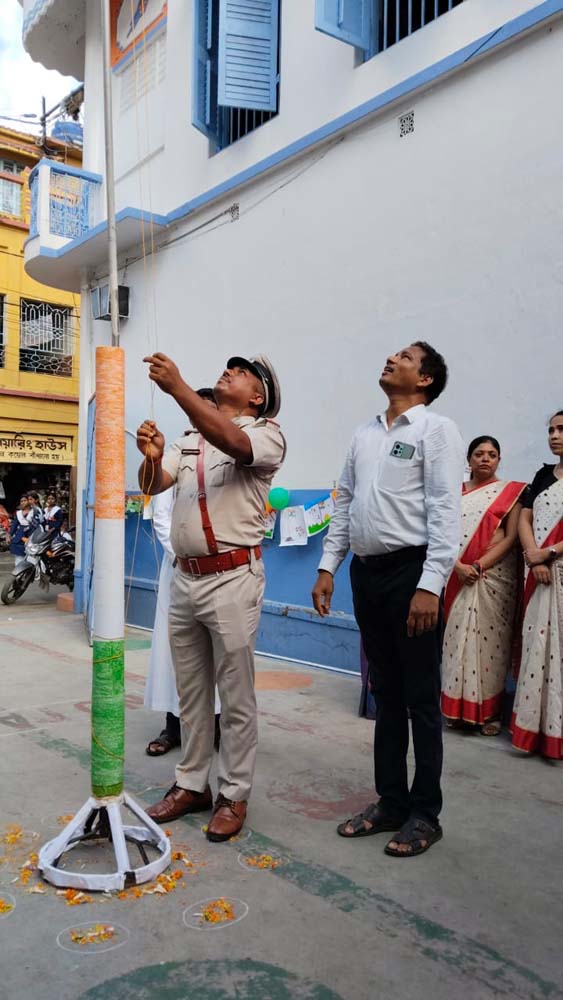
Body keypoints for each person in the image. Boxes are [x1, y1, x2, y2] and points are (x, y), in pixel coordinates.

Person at [312, 342, 464, 858]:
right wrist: (328, 566)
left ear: (425, 379)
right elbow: (345, 503)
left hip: (411, 573)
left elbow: (445, 510)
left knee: (420, 697)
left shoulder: (435, 430)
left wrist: (430, 584)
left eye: (405, 356)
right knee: (386, 693)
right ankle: (391, 803)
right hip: (367, 574)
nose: (391, 358)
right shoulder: (365, 433)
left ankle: (426, 813)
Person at [136, 352, 285, 841]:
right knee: (191, 693)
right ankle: (192, 784)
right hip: (185, 578)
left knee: (235, 696)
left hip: (232, 578)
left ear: (258, 396)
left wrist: (178, 388)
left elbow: (234, 442)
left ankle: (234, 794)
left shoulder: (265, 434)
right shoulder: (190, 440)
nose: (229, 371)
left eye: (241, 373)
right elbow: (155, 483)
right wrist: (151, 456)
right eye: (229, 367)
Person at [144, 389, 222, 757]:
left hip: (220, 571)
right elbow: (162, 516)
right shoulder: (178, 451)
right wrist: (183, 556)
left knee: (218, 649)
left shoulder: (230, 452)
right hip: (178, 567)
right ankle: (173, 726)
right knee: (174, 650)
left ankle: (216, 725)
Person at [440, 437, 525, 736]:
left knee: (492, 648)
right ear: (469, 460)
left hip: (493, 579)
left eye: (491, 454)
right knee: (456, 644)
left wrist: (478, 566)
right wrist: (458, 566)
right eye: (479, 454)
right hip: (457, 575)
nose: (485, 459)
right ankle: (456, 710)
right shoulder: (453, 494)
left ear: (499, 460)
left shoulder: (512, 493)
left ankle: (490, 714)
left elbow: (511, 538)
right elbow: (442, 535)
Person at [511, 410, 563, 759]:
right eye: (551, 430)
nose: (554, 436)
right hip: (539, 572)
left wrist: (550, 553)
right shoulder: (543, 476)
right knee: (537, 646)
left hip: (558, 566)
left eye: (561, 430)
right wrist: (534, 556)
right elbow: (525, 517)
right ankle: (533, 731)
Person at [9, 494, 40, 571]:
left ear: (29, 501)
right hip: (20, 536)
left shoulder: (35, 511)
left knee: (31, 555)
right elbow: (14, 525)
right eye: (21, 501)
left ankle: (31, 572)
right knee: (18, 557)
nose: (23, 502)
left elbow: (37, 524)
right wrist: (9, 534)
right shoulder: (18, 513)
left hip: (31, 534)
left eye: (24, 500)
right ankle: (19, 572)